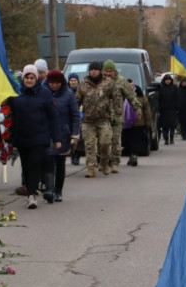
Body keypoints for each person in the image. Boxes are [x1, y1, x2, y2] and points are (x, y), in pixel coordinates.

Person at [8, 64, 61, 208]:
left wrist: (57, 138)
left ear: (36, 78)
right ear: (23, 78)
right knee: (26, 167)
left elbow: (53, 116)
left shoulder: (44, 93)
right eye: (27, 77)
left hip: (40, 137)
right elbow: (10, 115)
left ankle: (31, 196)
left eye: (32, 78)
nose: (29, 80)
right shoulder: (17, 93)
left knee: (35, 164)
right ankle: (31, 189)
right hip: (22, 137)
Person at [76, 61, 117, 178]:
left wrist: (116, 114)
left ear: (100, 71)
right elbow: (77, 100)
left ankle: (104, 163)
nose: (93, 71)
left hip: (103, 119)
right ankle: (90, 168)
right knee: (89, 145)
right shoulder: (83, 84)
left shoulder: (108, 83)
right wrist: (75, 115)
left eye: (96, 69)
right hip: (88, 121)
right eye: (91, 69)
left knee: (105, 143)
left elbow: (116, 98)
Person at [44, 69, 79, 202]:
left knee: (59, 162)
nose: (54, 85)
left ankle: (58, 190)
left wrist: (74, 134)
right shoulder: (43, 92)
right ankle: (49, 189)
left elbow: (75, 115)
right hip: (46, 132)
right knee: (48, 161)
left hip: (63, 132)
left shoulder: (68, 94)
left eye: (57, 83)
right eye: (52, 82)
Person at [103, 59, 142, 173]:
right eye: (107, 71)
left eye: (111, 71)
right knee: (103, 141)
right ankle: (104, 161)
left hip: (116, 115)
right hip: (102, 116)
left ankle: (115, 162)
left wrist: (138, 109)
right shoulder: (100, 81)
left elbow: (131, 96)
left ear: (114, 71)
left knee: (115, 140)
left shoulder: (121, 81)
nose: (109, 73)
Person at [122, 80, 153, 167]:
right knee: (126, 140)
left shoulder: (141, 97)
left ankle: (134, 156)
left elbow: (147, 110)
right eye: (128, 86)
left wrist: (148, 122)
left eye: (132, 85)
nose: (131, 87)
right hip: (124, 124)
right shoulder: (121, 96)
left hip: (138, 123)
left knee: (136, 141)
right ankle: (130, 155)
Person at [157, 74, 178, 145]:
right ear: (164, 80)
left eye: (169, 80)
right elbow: (158, 99)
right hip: (163, 109)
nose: (168, 81)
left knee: (172, 125)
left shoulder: (174, 87)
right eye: (166, 80)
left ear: (171, 80)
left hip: (172, 109)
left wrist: (177, 107)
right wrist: (159, 108)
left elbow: (177, 97)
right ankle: (166, 138)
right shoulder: (161, 88)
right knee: (164, 125)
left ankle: (171, 137)